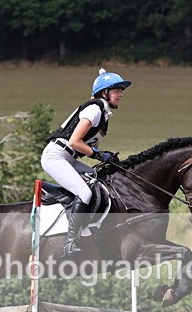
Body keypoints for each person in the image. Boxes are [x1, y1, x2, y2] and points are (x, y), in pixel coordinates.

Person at [41, 68, 131, 256]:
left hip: (68, 157)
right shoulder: (94, 109)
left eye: (121, 91)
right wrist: (99, 155)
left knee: (97, 178)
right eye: (117, 91)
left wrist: (105, 155)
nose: (121, 95)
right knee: (84, 192)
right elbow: (75, 141)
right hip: (55, 156)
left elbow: (86, 146)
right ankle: (70, 243)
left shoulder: (103, 115)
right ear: (104, 93)